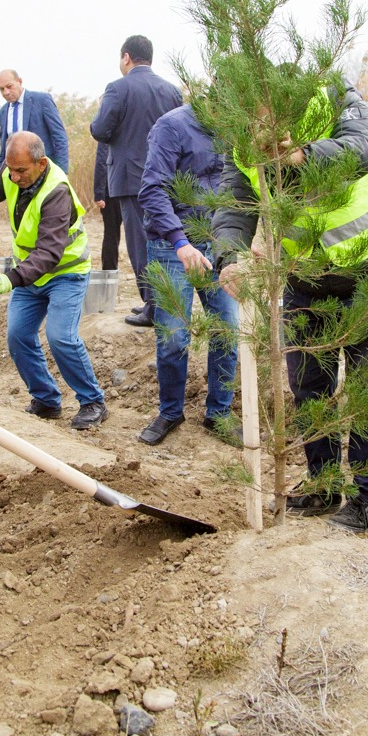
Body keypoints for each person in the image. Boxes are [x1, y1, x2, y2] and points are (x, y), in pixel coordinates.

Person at [213, 78, 368, 534]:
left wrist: (301, 154)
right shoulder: (241, 141)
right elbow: (235, 204)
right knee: (308, 384)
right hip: (304, 275)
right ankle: (323, 485)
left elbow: (363, 148)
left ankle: (365, 498)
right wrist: (230, 256)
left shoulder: (331, 96)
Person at [0, 131, 108, 429]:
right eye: (10, 169)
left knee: (60, 336)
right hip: (30, 274)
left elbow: (49, 252)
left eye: (21, 170)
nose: (14, 177)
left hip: (65, 273)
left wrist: (8, 279)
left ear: (41, 163)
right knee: (18, 335)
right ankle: (46, 400)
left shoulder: (56, 191)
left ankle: (93, 401)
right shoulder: (11, 173)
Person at [136, 104, 239, 446]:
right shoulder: (172, 127)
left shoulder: (236, 126)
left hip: (218, 242)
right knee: (173, 337)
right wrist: (180, 242)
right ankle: (170, 412)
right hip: (172, 246)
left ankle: (219, 414)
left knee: (227, 329)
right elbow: (152, 189)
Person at [89, 35, 183, 327]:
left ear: (126, 57)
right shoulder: (171, 90)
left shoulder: (118, 88)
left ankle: (154, 307)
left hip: (132, 180)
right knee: (165, 241)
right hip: (168, 178)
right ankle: (166, 303)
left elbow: (100, 130)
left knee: (140, 245)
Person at [0, 69, 69, 171]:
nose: (6, 92)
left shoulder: (42, 101)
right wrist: (0, 173)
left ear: (19, 81)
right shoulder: (2, 112)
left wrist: (62, 170)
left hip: (42, 170)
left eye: (9, 86)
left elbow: (59, 136)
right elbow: (4, 149)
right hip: (16, 174)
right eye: (2, 89)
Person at [93, 142, 121, 273]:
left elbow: (102, 160)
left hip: (111, 188)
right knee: (139, 233)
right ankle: (146, 275)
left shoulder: (108, 130)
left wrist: (99, 192)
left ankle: (109, 274)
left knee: (111, 233)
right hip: (136, 186)